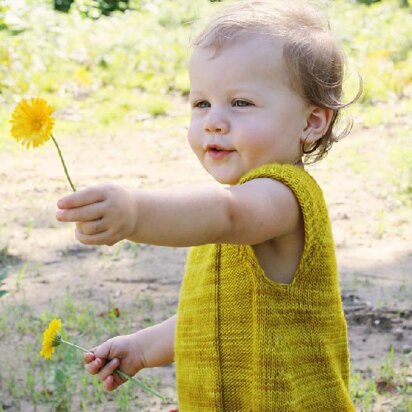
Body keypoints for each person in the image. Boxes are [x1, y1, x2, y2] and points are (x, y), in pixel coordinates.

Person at [56, 0, 361, 410]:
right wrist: (144, 348)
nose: (214, 121)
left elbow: (226, 212)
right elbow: (219, 316)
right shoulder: (236, 204)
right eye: (201, 103)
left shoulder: (283, 196)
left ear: (311, 122)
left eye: (241, 103)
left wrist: (134, 213)